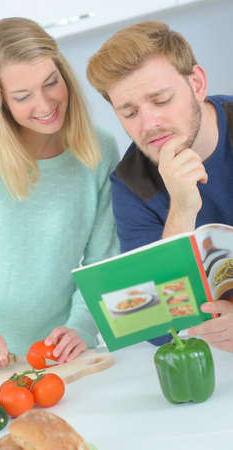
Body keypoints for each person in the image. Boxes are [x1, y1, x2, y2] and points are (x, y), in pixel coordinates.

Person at [0, 17, 119, 370]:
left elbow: (103, 261)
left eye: (51, 83)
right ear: (0, 99)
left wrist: (80, 325)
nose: (46, 104)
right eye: (22, 96)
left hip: (58, 357)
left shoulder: (99, 150)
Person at [86, 20, 233, 351]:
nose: (149, 124)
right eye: (129, 112)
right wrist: (181, 210)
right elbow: (154, 325)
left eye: (161, 99)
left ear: (196, 83)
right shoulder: (131, 184)